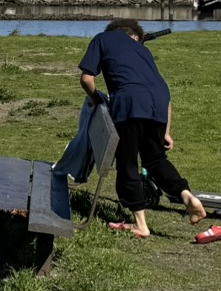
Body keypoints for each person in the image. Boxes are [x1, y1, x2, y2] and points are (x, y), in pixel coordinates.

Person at [77, 19, 205, 237]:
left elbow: (87, 78)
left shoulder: (103, 38)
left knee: (127, 163)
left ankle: (140, 224)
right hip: (159, 103)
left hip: (129, 103)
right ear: (135, 36)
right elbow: (166, 95)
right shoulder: (142, 51)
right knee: (155, 160)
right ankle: (187, 196)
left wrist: (96, 98)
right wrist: (166, 131)